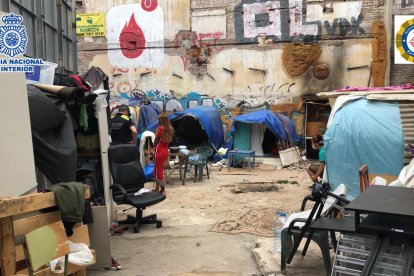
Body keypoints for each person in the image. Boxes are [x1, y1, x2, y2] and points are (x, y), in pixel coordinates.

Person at [153, 114, 174, 194]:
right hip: (165, 151)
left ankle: (163, 190)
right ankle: (157, 188)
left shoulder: (160, 129)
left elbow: (156, 140)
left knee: (159, 171)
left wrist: (154, 147)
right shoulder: (170, 129)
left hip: (159, 150)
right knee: (157, 169)